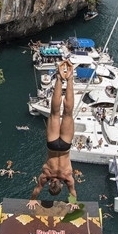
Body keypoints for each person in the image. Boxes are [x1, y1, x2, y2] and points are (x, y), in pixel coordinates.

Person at [28, 60, 78, 211]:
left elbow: (73, 192)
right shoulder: (45, 176)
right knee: (55, 113)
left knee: (68, 113)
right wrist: (32, 200)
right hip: (52, 144)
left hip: (64, 146)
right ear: (50, 184)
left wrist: (73, 202)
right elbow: (37, 190)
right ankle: (58, 77)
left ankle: (68, 79)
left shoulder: (67, 178)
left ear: (61, 185)